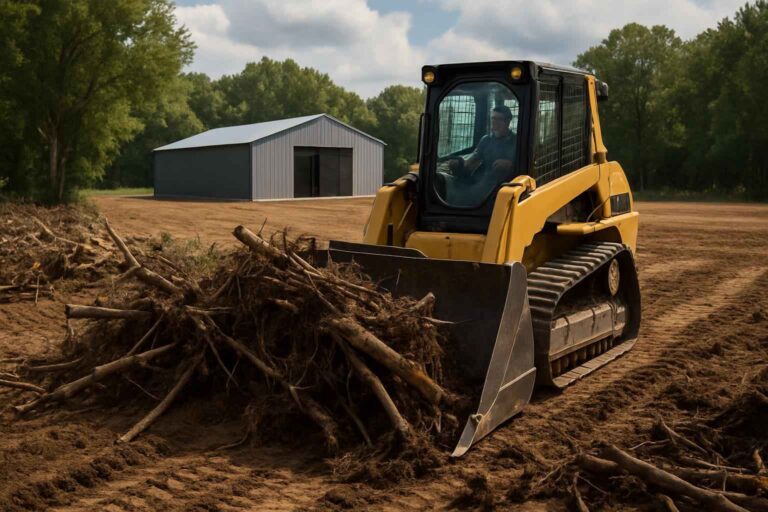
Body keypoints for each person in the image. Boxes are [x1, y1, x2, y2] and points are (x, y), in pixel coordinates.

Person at [448, 105, 516, 179]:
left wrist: (510, 165)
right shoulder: (486, 140)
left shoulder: (516, 141)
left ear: (508, 121)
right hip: (484, 181)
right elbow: (473, 160)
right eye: (493, 118)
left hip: (507, 184)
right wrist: (460, 164)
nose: (495, 122)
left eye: (499, 119)